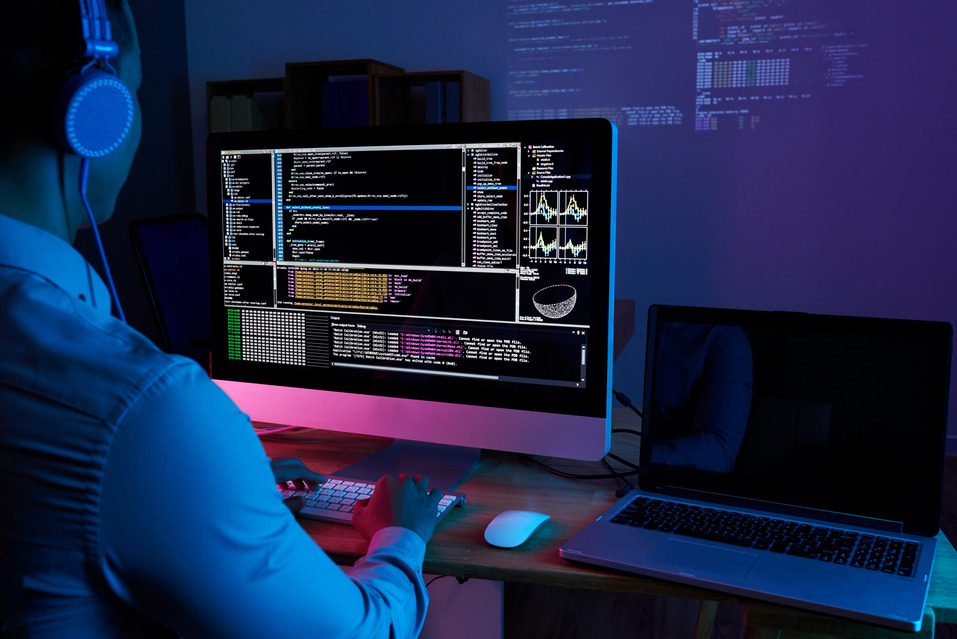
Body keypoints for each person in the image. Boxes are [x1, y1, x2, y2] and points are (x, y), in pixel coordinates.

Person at [0, 2, 442, 637]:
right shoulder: (146, 411)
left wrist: (207, 482)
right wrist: (400, 534)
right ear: (94, 115)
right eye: (139, 89)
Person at [648, 321, 754, 473]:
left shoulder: (724, 336)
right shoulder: (622, 318)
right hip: (614, 463)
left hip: (665, 476)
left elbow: (718, 451)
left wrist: (640, 455)